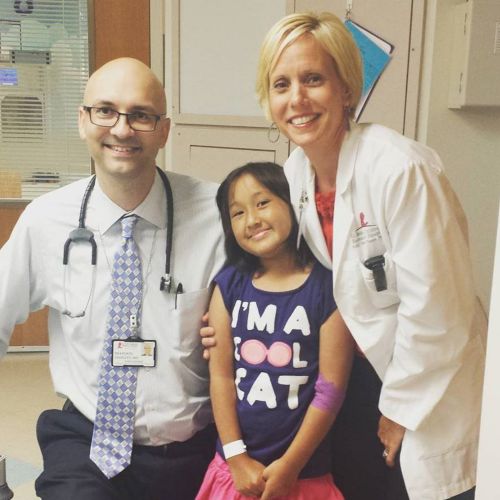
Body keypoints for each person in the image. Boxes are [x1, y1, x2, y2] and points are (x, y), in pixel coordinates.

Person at [202, 11, 487, 500]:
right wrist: (230, 320)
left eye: (314, 79)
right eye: (281, 84)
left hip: (425, 384)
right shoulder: (295, 175)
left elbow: (441, 311)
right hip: (355, 379)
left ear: (347, 89)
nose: (297, 99)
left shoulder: (400, 170)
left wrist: (399, 408)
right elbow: (287, 273)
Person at [0, 57, 225, 500]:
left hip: (192, 446)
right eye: (105, 111)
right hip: (87, 440)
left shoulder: (217, 216)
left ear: (164, 130)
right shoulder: (45, 221)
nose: (122, 129)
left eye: (140, 115)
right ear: (83, 121)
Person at [196, 162, 353, 500]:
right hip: (234, 471)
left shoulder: (327, 287)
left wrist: (291, 466)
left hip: (303, 474)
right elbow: (221, 376)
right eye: (237, 213)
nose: (251, 219)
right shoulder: (229, 284)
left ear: (294, 201)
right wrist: (236, 456)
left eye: (262, 202)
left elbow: (330, 389)